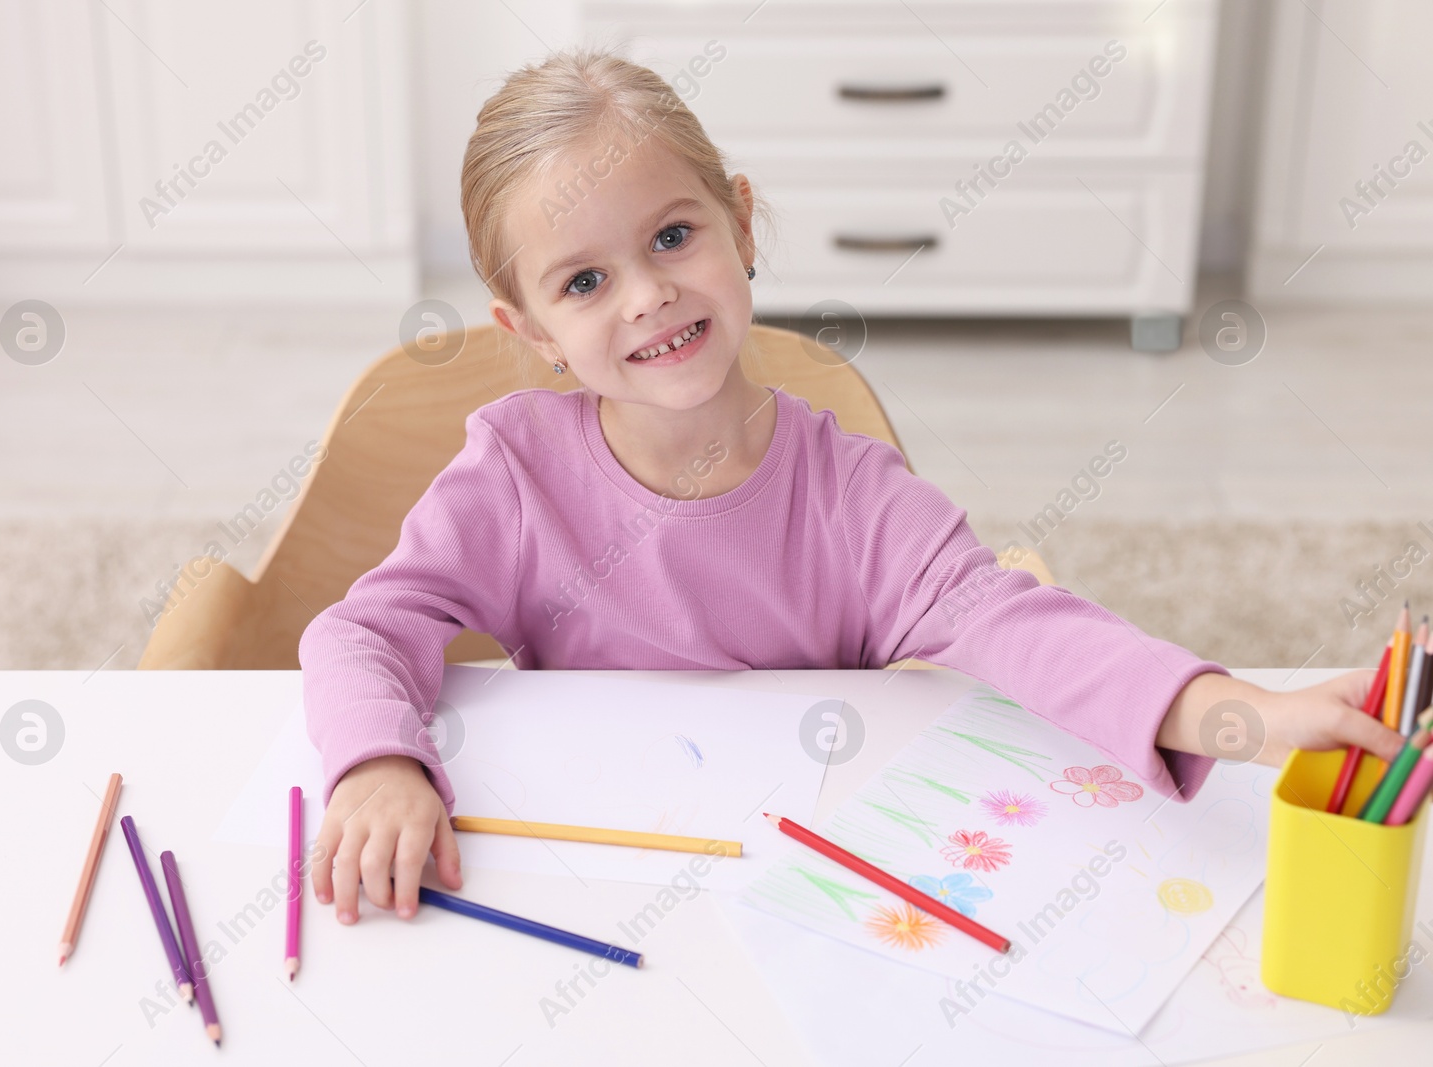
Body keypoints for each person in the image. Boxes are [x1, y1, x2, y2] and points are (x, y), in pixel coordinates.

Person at [300, 49, 1404, 927]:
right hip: (585, 877)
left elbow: (1020, 627)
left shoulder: (852, 495)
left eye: (673, 236)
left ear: (740, 223)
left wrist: (1243, 714)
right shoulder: (513, 471)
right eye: (585, 280)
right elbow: (363, 629)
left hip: (803, 888)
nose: (645, 295)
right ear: (531, 331)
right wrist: (380, 761)